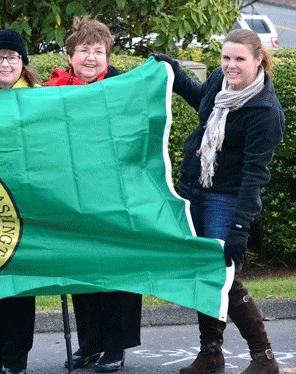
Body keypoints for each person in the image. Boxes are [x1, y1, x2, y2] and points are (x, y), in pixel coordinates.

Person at [153, 28, 284, 374]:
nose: (230, 65)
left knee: (224, 275)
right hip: (194, 188)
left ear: (259, 61)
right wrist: (177, 76)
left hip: (226, 198)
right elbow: (204, 102)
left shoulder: (265, 111)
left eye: (240, 59)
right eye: (226, 57)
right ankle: (211, 353)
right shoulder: (218, 81)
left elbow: (255, 175)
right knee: (204, 272)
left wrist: (240, 225)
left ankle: (264, 357)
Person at [44, 16, 142, 373]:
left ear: (107, 56)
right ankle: (91, 341)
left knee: (115, 271)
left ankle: (115, 345)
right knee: (81, 269)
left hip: (113, 196)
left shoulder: (121, 87)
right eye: (84, 50)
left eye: (98, 51)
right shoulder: (52, 90)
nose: (91, 57)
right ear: (70, 54)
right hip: (71, 197)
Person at [0, 29, 40, 374]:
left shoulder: (40, 99)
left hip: (26, 204)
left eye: (12, 57)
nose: (5, 62)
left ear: (22, 63)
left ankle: (16, 359)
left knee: (20, 287)